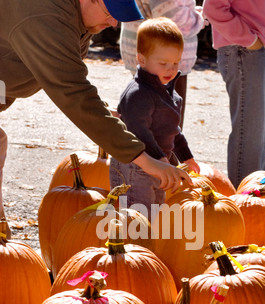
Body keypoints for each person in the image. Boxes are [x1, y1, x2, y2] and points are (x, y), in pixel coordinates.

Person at [0, 0, 192, 236]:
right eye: (110, 13)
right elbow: (72, 92)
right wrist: (144, 159)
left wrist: (102, 113)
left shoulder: (79, 19)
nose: (113, 23)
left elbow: (63, 78)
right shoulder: (42, 15)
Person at [110, 17, 201, 221]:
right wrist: (160, 159)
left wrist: (186, 156)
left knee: (155, 213)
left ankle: (149, 248)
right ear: (141, 60)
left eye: (175, 63)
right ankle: (136, 250)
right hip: (135, 165)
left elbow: (172, 128)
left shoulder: (168, 93)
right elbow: (139, 131)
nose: (171, 69)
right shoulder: (139, 94)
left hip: (159, 165)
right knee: (137, 216)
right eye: (163, 63)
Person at [202, 0, 265, 189]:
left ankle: (255, 198)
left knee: (263, 136)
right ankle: (244, 203)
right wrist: (250, 40)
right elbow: (212, 8)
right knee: (250, 137)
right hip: (245, 49)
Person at [119, 0, 207, 129]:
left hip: (150, 52)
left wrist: (191, 12)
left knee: (149, 115)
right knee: (166, 124)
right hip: (163, 57)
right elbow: (172, 20)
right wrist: (198, 19)